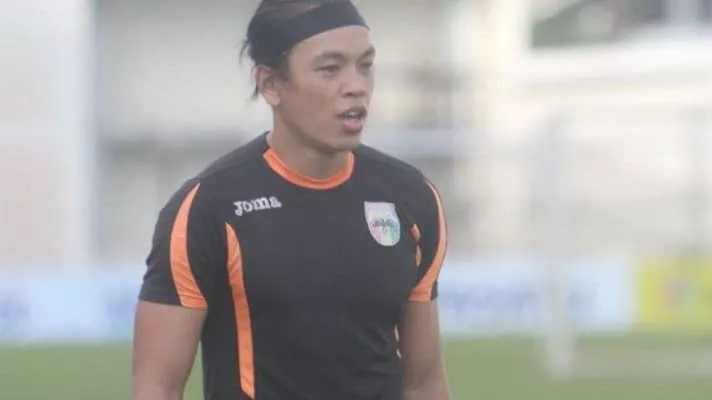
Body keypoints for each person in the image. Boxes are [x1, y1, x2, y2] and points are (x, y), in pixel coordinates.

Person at [131, 0, 450, 399]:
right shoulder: (207, 209)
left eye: (365, 65)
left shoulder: (411, 197)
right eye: (330, 68)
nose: (356, 85)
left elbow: (424, 384)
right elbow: (157, 387)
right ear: (270, 84)